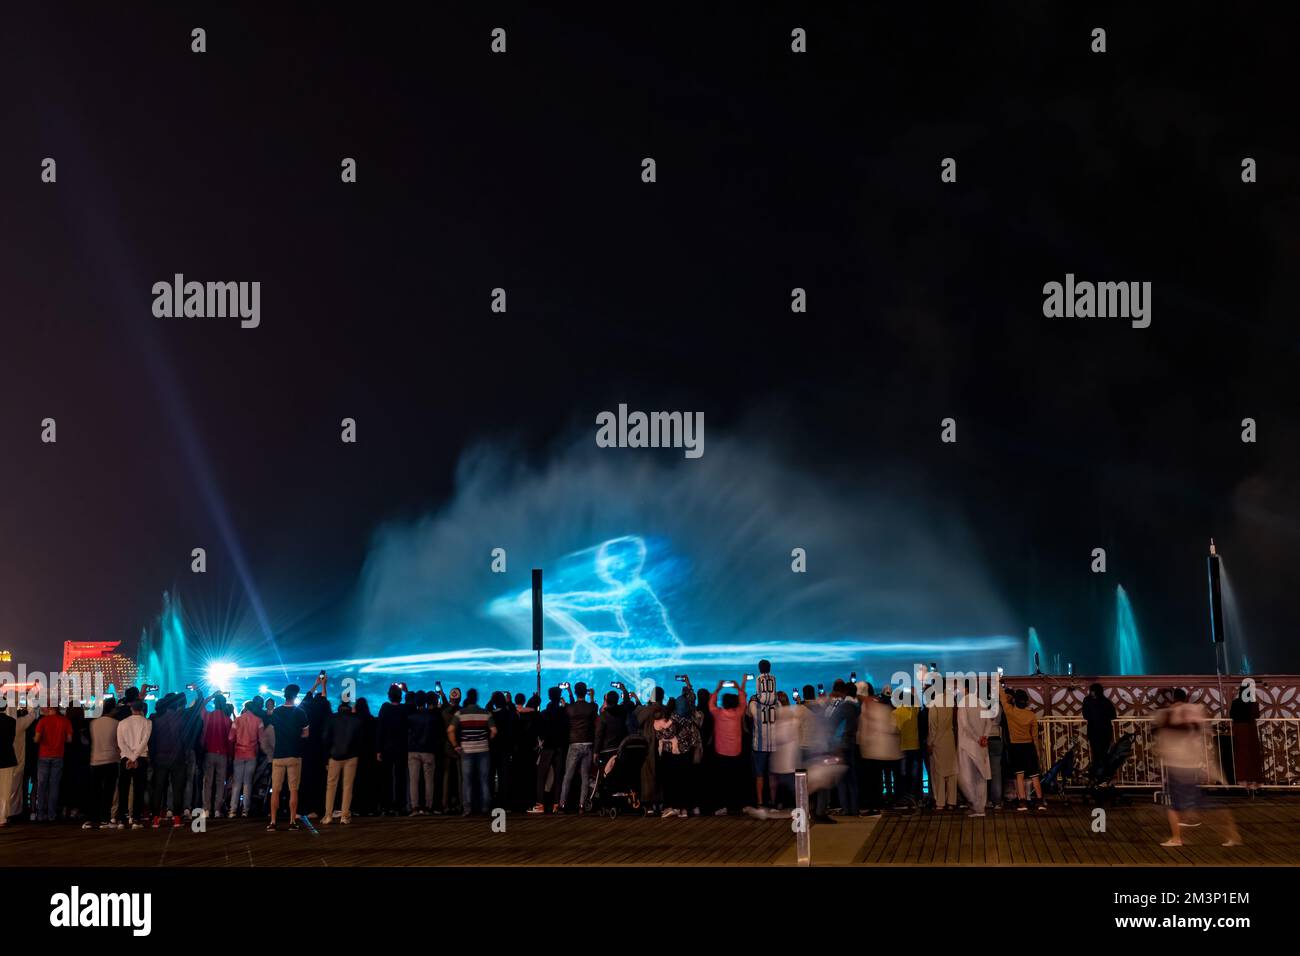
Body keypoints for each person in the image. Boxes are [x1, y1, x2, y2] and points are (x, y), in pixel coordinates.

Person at [1156, 689, 1241, 847]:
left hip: (1176, 766)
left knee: (1178, 805)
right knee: (1192, 804)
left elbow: (1164, 740)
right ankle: (1230, 832)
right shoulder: (1195, 711)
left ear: (1173, 698)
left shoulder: (1167, 714)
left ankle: (1177, 838)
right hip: (1191, 765)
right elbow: (1204, 735)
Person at [266, 683, 310, 831]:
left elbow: (271, 731)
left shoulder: (276, 712)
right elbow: (306, 734)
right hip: (294, 754)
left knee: (276, 790)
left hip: (278, 755)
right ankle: (292, 821)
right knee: (293, 790)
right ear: (296, 696)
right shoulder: (300, 713)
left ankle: (273, 821)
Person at [448, 688, 496, 815]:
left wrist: (455, 745)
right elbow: (494, 731)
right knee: (483, 779)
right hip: (483, 749)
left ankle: (468, 808)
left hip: (467, 750)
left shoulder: (460, 714)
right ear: (477, 698)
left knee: (467, 780)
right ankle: (485, 807)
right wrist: (487, 740)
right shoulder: (485, 713)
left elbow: (450, 730)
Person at [708, 675, 748, 815]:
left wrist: (717, 689)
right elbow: (743, 701)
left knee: (723, 782)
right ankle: (737, 806)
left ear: (723, 703)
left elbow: (711, 704)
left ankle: (724, 806)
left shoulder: (718, 713)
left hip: (721, 752)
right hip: (736, 752)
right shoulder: (738, 713)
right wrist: (740, 686)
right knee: (737, 781)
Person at [1000, 685, 1044, 811]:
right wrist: (1037, 751)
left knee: (1019, 775)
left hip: (1016, 747)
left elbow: (1003, 698)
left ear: (1015, 700)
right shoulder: (1031, 716)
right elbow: (1035, 736)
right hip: (1029, 746)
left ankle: (1022, 801)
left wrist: (998, 683)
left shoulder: (1010, 712)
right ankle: (1040, 801)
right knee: (1034, 775)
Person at [858, 684, 900, 816]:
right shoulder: (883, 706)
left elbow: (866, 730)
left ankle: (875, 807)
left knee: (873, 781)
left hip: (874, 751)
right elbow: (893, 727)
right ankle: (879, 804)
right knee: (877, 780)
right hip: (880, 751)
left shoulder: (870, 707)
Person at [954, 684, 994, 817]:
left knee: (966, 777)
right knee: (981, 776)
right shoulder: (981, 703)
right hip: (981, 746)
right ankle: (980, 807)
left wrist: (977, 738)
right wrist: (985, 737)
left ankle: (975, 805)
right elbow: (989, 722)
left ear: (965, 689)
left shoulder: (963, 703)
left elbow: (964, 725)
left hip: (967, 745)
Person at [321, 699, 362, 825]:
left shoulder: (332, 719)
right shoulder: (356, 721)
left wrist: (327, 755)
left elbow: (325, 738)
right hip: (351, 756)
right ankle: (344, 816)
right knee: (348, 787)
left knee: (331, 786)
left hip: (334, 756)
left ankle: (328, 816)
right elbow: (360, 739)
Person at [558, 682, 597, 813]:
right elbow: (591, 706)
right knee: (585, 776)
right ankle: (582, 806)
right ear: (586, 691)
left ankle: (562, 805)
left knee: (568, 775)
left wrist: (569, 692)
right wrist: (591, 697)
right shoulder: (592, 707)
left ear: (575, 692)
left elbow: (572, 707)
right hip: (588, 744)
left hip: (574, 743)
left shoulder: (570, 708)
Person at [528, 686, 567, 814]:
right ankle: (556, 804)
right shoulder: (563, 712)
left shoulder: (544, 713)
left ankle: (540, 804)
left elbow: (538, 729)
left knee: (541, 776)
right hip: (560, 748)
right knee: (557, 777)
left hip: (548, 748)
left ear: (549, 696)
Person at [85, 697, 121, 829]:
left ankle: (91, 818)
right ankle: (105, 819)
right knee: (108, 791)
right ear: (112, 709)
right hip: (111, 759)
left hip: (95, 760)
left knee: (95, 790)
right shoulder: (116, 723)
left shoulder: (93, 723)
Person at [33, 703, 73, 822]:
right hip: (58, 755)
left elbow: (37, 739)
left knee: (42, 786)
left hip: (44, 755)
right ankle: (52, 814)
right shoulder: (65, 721)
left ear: (49, 708)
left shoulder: (43, 721)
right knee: (54, 786)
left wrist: (35, 739)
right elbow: (69, 739)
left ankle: (40, 814)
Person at [747, 661, 779, 808]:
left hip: (759, 744)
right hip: (774, 743)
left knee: (759, 775)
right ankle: (773, 801)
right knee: (772, 774)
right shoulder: (777, 704)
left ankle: (760, 802)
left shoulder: (754, 703)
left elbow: (749, 715)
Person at [115, 700, 151, 828]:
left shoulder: (122, 723)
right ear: (142, 709)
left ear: (131, 709)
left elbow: (120, 743)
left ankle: (121, 819)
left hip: (125, 758)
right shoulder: (147, 722)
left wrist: (129, 757)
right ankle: (135, 818)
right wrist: (135, 758)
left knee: (123, 789)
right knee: (138, 789)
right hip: (140, 758)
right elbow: (144, 741)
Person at [376, 683, 410, 815]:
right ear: (400, 696)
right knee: (400, 778)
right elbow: (412, 705)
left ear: (389, 696)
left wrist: (378, 749)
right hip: (401, 748)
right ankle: (400, 806)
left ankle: (386, 806)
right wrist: (407, 691)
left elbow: (380, 729)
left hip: (387, 748)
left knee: (386, 778)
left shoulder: (385, 708)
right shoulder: (404, 709)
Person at [406, 691, 441, 815]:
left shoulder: (410, 716)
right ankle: (428, 807)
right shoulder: (433, 717)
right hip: (429, 751)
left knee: (413, 781)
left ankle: (415, 807)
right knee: (429, 781)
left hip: (413, 751)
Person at [199, 692, 233, 819]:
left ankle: (206, 809)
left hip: (209, 753)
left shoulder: (208, 716)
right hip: (223, 754)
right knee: (220, 783)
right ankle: (217, 809)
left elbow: (200, 706)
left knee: (207, 782)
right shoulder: (227, 720)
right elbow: (230, 740)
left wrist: (211, 696)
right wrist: (230, 755)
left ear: (214, 704)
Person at [228, 700, 262, 817]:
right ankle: (245, 810)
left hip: (238, 754)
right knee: (247, 783)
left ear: (245, 708)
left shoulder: (237, 720)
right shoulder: (259, 721)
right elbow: (261, 739)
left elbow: (231, 737)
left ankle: (232, 810)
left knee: (237, 783)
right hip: (251, 754)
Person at [5, 699, 37, 820]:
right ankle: (14, 812)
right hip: (17, 760)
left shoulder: (5, 723)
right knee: (16, 789)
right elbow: (33, 714)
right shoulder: (19, 723)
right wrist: (30, 700)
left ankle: (4, 813)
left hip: (3, 761)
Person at [926, 689, 958, 811]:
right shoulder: (949, 703)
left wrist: (930, 742)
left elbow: (932, 726)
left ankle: (940, 802)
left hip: (938, 741)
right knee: (951, 771)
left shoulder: (934, 705)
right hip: (950, 739)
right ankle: (952, 801)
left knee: (939, 772)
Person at [1229, 683, 1261, 793]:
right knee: (1252, 755)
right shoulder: (1253, 703)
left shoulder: (1235, 702)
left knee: (1241, 754)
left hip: (1239, 730)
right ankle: (1253, 781)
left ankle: (1242, 780)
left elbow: (1231, 715)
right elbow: (1257, 715)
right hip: (1250, 730)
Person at [893, 689, 922, 809]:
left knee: (902, 776)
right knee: (915, 775)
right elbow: (918, 704)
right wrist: (914, 694)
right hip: (915, 746)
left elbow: (894, 731)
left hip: (902, 747)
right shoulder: (914, 711)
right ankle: (915, 797)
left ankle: (903, 799)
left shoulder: (895, 713)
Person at [1081, 683, 1117, 774]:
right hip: (1105, 731)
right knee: (1104, 755)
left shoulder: (1087, 700)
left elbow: (1086, 715)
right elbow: (1113, 715)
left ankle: (1097, 775)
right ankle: (1103, 775)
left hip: (1094, 731)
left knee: (1096, 754)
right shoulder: (1105, 701)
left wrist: (1094, 717)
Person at [0, 697, 18, 827]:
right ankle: (2, 818)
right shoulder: (11, 721)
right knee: (5, 790)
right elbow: (11, 739)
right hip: (7, 758)